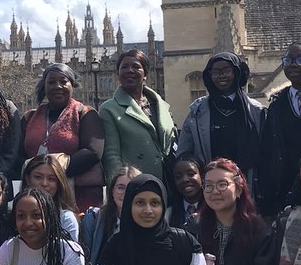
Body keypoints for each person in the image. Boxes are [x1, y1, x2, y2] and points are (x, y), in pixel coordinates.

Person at [21, 63, 105, 211]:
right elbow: (19, 153)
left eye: (63, 81)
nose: (57, 86)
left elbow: (93, 152)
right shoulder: (30, 117)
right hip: (35, 196)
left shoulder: (85, 114)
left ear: (72, 85)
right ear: (44, 86)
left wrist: (50, 172)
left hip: (79, 197)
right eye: (51, 82)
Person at [256, 43, 301, 217]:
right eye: (287, 60)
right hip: (286, 191)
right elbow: (268, 151)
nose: (293, 64)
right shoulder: (277, 104)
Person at [176, 53, 265, 181]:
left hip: (246, 183)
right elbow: (184, 153)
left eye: (226, 70)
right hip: (212, 186)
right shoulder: (197, 112)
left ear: (236, 73)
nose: (221, 75)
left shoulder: (256, 111)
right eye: (216, 71)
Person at [99, 49, 176, 185]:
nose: (130, 70)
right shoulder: (109, 109)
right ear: (118, 74)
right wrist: (120, 188)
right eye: (124, 67)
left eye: (136, 66)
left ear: (145, 73)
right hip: (136, 185)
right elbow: (111, 156)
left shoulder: (162, 105)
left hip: (169, 182)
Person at [79, 165, 140, 265]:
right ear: (112, 191)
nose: (125, 193)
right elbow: (84, 261)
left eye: (131, 188)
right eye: (121, 187)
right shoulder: (93, 218)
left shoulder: (146, 223)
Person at [21, 154, 81, 241]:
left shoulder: (66, 219)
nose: (45, 183)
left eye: (51, 179)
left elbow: (70, 253)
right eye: (38, 177)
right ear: (28, 179)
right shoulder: (17, 214)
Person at [168, 153, 203, 230]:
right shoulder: (168, 213)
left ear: (202, 176)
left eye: (191, 174)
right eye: (178, 177)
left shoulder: (213, 208)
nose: (185, 180)